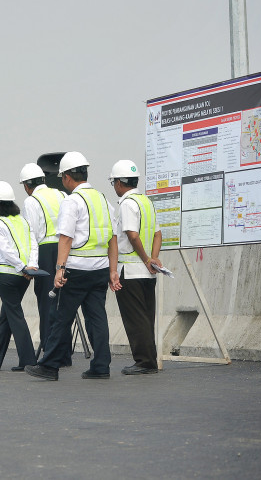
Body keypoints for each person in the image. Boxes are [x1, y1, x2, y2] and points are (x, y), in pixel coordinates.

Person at [26, 152, 117, 381]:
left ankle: (49, 366)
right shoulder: (103, 199)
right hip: (100, 269)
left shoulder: (72, 201)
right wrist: (113, 270)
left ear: (66, 177)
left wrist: (59, 269)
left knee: (60, 317)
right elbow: (113, 239)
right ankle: (101, 366)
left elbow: (65, 238)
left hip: (76, 269)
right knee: (97, 318)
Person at [108, 159, 162, 375]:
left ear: (120, 182)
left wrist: (147, 259)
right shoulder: (146, 201)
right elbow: (157, 234)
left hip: (130, 271)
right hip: (147, 273)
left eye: (114, 182)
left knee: (135, 318)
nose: (114, 187)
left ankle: (144, 362)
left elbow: (132, 235)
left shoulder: (128, 204)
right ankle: (149, 359)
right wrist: (153, 259)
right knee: (146, 316)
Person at [0, 181, 39, 372]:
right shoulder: (23, 221)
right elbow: (33, 245)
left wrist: (21, 266)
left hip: (7, 274)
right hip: (24, 276)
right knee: (6, 316)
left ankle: (29, 360)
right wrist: (30, 267)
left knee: (14, 316)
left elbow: (6, 250)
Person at [19, 163, 68, 357]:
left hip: (45, 251)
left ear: (27, 185)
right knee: (64, 303)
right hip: (66, 249)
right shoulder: (62, 194)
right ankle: (64, 353)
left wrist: (30, 263)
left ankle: (49, 351)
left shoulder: (31, 201)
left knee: (47, 302)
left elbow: (32, 234)